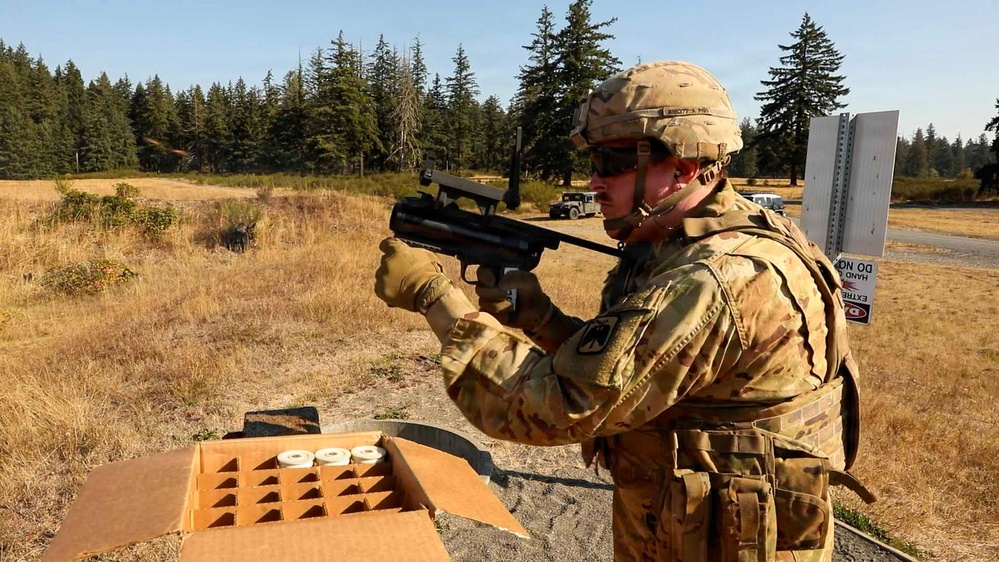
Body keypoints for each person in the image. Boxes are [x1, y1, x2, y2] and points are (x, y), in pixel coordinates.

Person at [374, 61, 873, 562]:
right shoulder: (723, 238)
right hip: (704, 530)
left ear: (684, 166)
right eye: (591, 162)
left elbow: (550, 407)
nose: (593, 181)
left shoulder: (713, 279)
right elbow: (650, 370)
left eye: (611, 162)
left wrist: (432, 296)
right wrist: (542, 319)